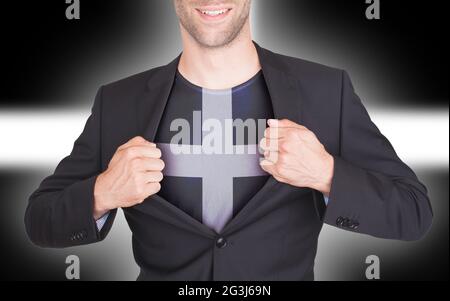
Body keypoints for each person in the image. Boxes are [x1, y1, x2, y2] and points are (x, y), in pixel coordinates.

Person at [25, 0, 433, 280]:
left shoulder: (326, 91)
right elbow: (40, 219)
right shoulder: (119, 102)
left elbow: (414, 212)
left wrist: (327, 173)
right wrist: (102, 193)